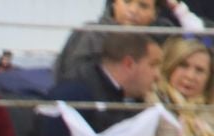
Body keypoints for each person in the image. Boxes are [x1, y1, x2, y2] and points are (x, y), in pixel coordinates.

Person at [39, 28, 164, 136]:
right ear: (129, 64)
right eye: (153, 65)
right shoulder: (73, 96)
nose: (158, 76)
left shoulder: (139, 103)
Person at [54, 0, 201, 85]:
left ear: (154, 14)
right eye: (126, 2)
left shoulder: (160, 38)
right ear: (114, 4)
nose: (132, 11)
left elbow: (200, 39)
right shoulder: (91, 33)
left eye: (143, 6)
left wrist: (177, 8)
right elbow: (72, 79)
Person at [148, 35, 214, 136]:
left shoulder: (211, 110)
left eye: (199, 70)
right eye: (183, 65)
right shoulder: (152, 100)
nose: (190, 76)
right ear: (170, 66)